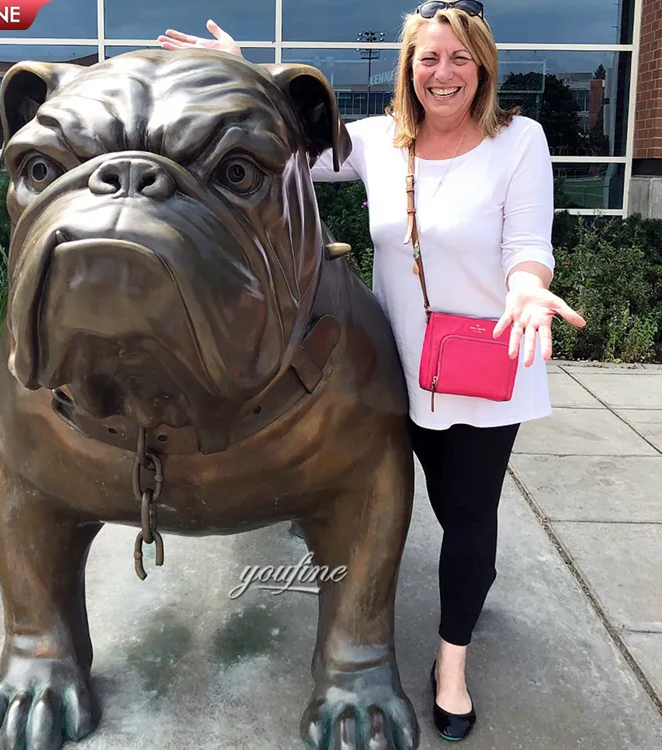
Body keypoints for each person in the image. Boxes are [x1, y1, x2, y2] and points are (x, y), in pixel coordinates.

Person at [159, 3, 586, 742]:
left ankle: (451, 663)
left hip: (483, 367)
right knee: (394, 502)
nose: (442, 74)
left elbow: (527, 242)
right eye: (428, 59)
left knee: (466, 516)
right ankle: (459, 593)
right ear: (408, 67)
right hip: (397, 369)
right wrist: (246, 71)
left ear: (481, 64)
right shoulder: (382, 144)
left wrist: (526, 286)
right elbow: (288, 148)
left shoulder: (519, 142)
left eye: (458, 58)